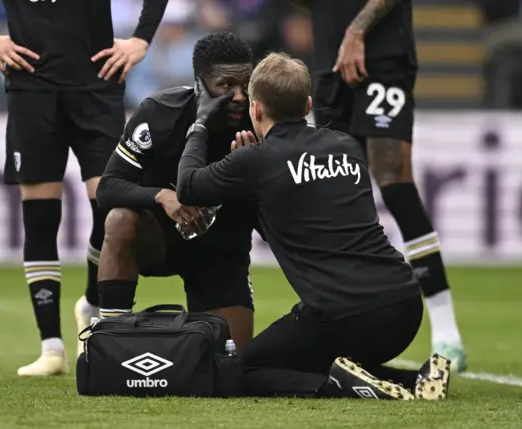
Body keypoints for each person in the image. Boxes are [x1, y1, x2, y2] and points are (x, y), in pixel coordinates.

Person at [176, 52, 451, 400]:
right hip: (405, 306)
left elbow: (187, 186)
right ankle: (415, 380)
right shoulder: (347, 146)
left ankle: (341, 388)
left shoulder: (256, 160)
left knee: (243, 369)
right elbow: (292, 215)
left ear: (256, 109)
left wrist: (199, 124)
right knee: (314, 353)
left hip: (344, 315)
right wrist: (249, 179)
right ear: (307, 105)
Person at [0, 0, 172, 376]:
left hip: (97, 84)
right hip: (32, 86)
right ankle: (51, 347)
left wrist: (141, 40)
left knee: (110, 205)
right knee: (41, 213)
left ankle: (92, 303)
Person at [301, 0, 467, 371]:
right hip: (328, 61)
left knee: (394, 182)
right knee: (333, 192)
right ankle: (339, 324)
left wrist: (357, 30)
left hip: (382, 55)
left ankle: (446, 333)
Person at [94, 31, 258, 350]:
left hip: (222, 253)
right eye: (226, 85)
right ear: (199, 85)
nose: (239, 96)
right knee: (119, 219)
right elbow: (107, 188)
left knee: (233, 365)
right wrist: (162, 196)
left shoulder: (261, 121)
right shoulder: (159, 113)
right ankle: (108, 342)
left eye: (246, 84)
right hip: (159, 240)